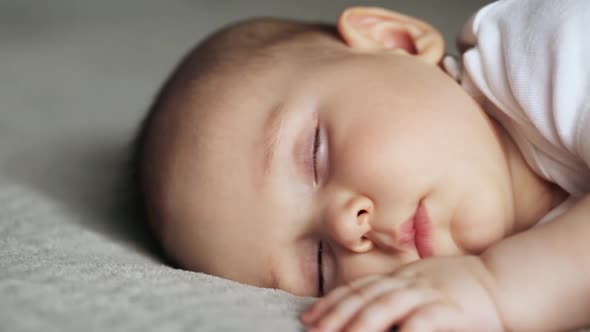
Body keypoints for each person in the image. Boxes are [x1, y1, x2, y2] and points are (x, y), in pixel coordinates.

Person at [130, 0, 590, 330]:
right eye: (318, 263)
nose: (348, 229)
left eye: (314, 154)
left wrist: (500, 290)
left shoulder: (544, 47)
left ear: (396, 41)